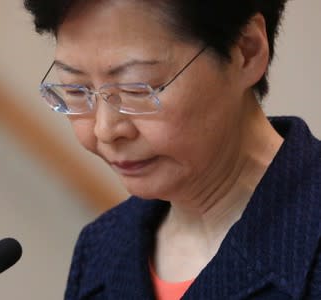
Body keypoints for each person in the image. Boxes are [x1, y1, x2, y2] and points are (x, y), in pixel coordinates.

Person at [24, 0, 321, 299]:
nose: (105, 130)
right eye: (76, 90)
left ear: (247, 51)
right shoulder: (100, 250)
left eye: (135, 89)